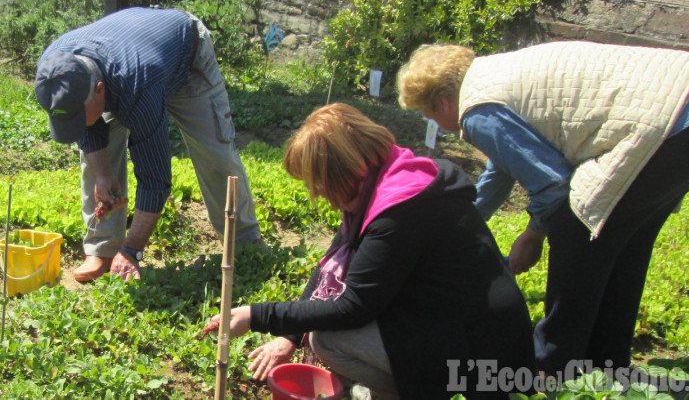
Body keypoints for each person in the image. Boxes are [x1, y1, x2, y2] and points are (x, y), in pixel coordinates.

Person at [396, 41, 689, 375]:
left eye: (427, 113)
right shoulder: (490, 76)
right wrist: (462, 229)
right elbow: (502, 168)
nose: (432, 120)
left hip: (670, 115)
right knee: (624, 239)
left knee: (577, 222)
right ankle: (605, 366)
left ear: (443, 102)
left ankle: (551, 367)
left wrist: (533, 235)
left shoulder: (476, 110)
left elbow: (554, 186)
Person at [204, 103, 535, 400]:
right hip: (460, 322)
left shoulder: (398, 212)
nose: (318, 194)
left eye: (319, 184)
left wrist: (259, 316)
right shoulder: (392, 179)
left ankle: (412, 391)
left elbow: (354, 308)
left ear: (343, 172)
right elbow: (327, 266)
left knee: (329, 339)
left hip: (478, 352)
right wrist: (289, 334)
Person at [34, 7, 261, 283]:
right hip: (131, 59)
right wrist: (104, 174)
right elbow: (86, 126)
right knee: (95, 165)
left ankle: (246, 243)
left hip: (187, 57)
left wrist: (133, 251)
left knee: (215, 154)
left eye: (79, 119)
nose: (77, 127)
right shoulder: (55, 71)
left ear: (99, 91)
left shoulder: (139, 83)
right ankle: (102, 249)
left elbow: (155, 179)